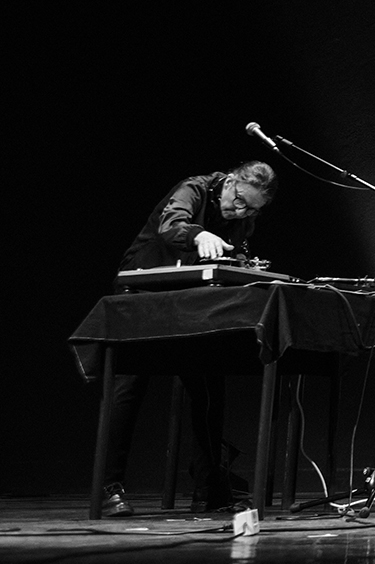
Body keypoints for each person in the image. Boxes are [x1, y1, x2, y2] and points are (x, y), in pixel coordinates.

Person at [100, 162, 277, 518]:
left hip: (188, 299)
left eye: (251, 209)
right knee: (128, 387)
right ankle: (108, 487)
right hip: (141, 291)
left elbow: (232, 255)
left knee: (211, 381)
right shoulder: (194, 188)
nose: (240, 210)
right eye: (239, 200)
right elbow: (171, 225)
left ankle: (209, 487)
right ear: (230, 182)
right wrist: (197, 234)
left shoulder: (244, 215)